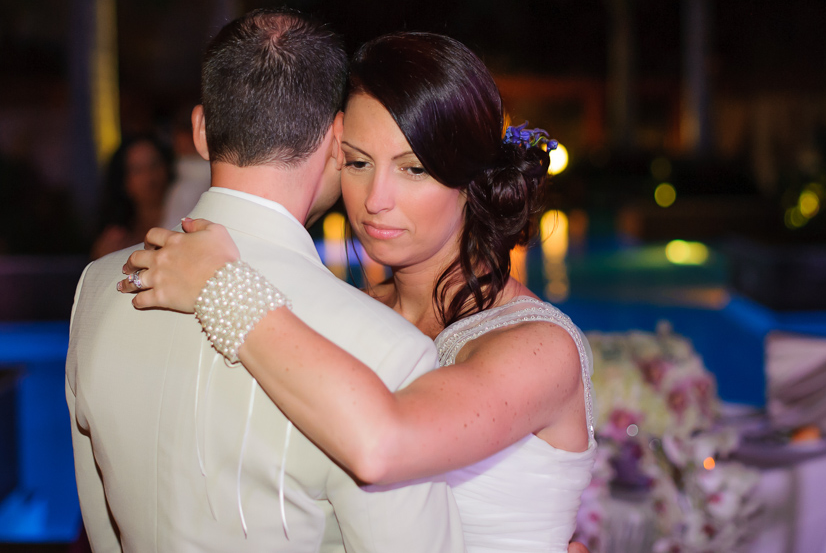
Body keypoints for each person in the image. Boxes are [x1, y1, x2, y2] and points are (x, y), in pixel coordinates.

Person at [122, 32, 596, 553]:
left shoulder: (538, 348)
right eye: (357, 162)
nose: (376, 200)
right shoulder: (344, 313)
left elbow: (383, 446)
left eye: (412, 169)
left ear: (471, 178)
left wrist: (220, 288)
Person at [67, 10, 465, 552]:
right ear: (336, 139)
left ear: (202, 131)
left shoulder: (97, 289)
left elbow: (101, 525)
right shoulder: (389, 352)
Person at [90, 134, 173, 259]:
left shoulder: (187, 218)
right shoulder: (116, 238)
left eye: (154, 165)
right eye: (137, 170)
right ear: (123, 181)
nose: (149, 176)